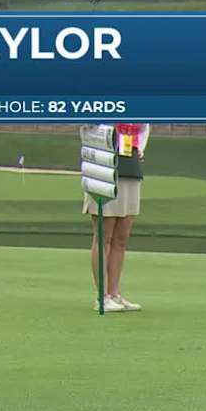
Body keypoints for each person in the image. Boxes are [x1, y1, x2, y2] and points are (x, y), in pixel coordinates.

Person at [83, 123, 147, 312]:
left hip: (130, 162)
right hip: (103, 164)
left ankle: (114, 294)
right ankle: (102, 297)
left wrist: (140, 148)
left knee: (121, 237)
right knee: (105, 235)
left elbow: (144, 129)